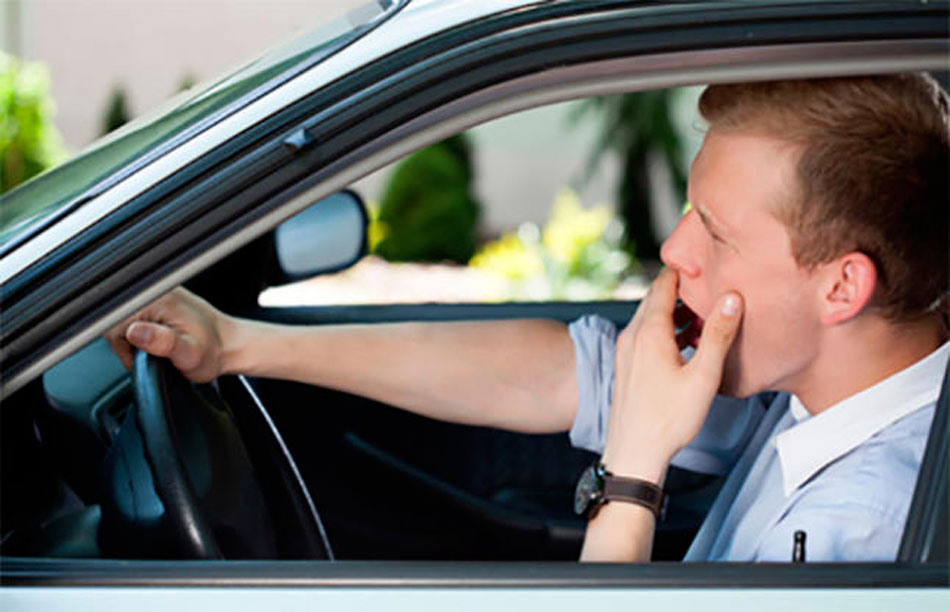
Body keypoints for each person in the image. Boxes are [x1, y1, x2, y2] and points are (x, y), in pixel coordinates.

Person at [107, 73, 949, 563]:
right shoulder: (807, 378)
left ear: (842, 288)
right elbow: (549, 372)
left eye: (717, 233)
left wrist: (634, 471)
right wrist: (239, 345)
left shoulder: (868, 531)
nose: (674, 246)